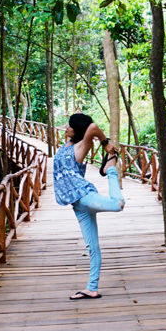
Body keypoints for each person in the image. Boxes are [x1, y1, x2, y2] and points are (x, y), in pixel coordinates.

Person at [53, 113, 124, 300]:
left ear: (77, 129)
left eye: (70, 126)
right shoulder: (65, 147)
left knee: (117, 205)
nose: (66, 128)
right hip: (77, 205)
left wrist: (105, 143)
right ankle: (92, 288)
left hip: (85, 196)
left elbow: (92, 127)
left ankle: (110, 169)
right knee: (92, 247)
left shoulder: (81, 146)